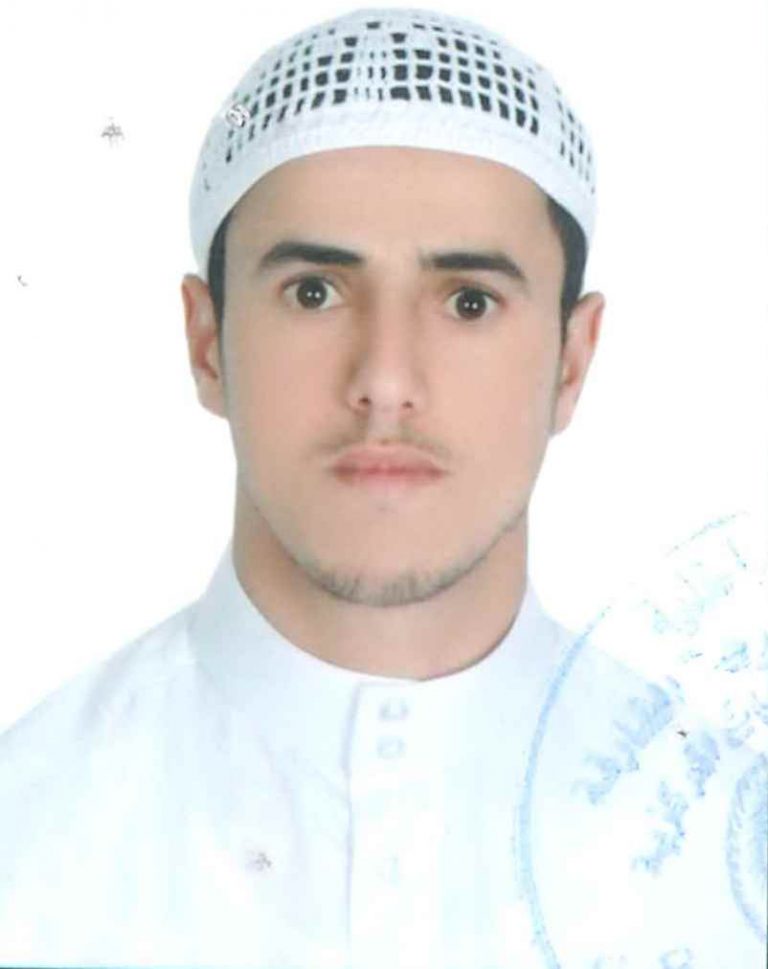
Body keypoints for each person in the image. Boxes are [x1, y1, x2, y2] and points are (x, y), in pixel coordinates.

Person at [1, 7, 764, 968]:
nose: (387, 378)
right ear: (207, 342)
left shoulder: (733, 868)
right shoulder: (26, 840)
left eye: (470, 301)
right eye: (314, 291)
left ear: (572, 360)